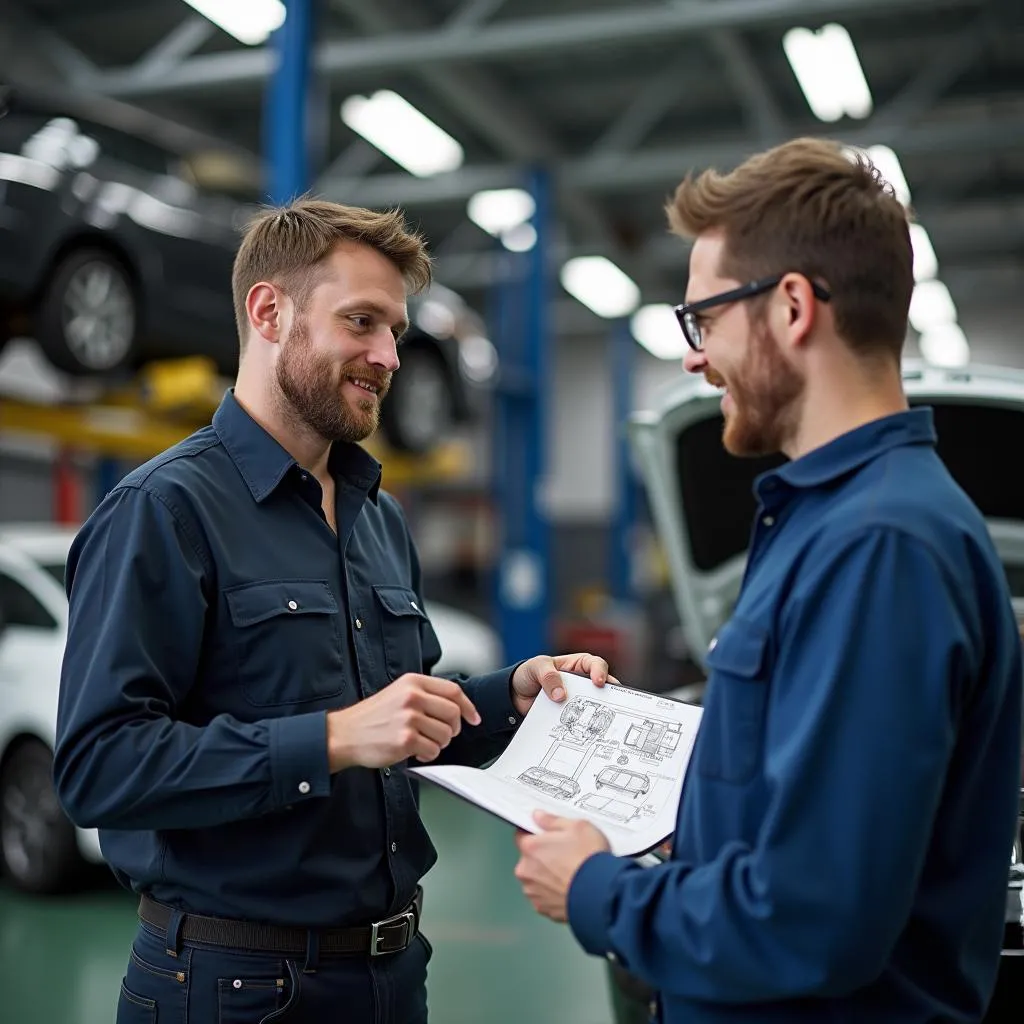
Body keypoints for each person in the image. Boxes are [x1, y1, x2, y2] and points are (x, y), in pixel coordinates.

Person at [53, 198, 611, 1024]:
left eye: (395, 329)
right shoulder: (165, 510)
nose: (389, 355)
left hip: (389, 977)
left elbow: (400, 716)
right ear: (269, 312)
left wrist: (509, 698)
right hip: (233, 987)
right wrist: (333, 738)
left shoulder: (374, 514)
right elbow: (99, 767)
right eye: (362, 322)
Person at [512, 137, 1023, 1023]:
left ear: (791, 308)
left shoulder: (880, 547)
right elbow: (805, 810)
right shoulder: (826, 522)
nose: (693, 359)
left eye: (702, 320)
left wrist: (595, 888)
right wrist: (702, 826)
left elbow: (812, 920)